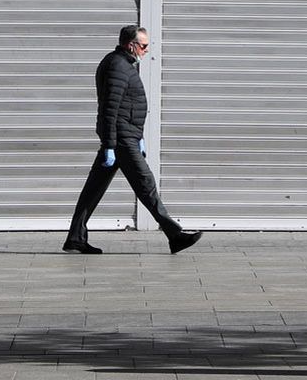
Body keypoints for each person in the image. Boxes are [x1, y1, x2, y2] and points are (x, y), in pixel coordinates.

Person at [64, 25, 203, 254]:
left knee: (93, 189)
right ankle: (175, 235)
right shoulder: (118, 66)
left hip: (124, 136)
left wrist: (137, 137)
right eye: (144, 45)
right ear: (131, 45)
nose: (147, 50)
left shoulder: (122, 65)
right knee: (145, 184)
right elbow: (110, 108)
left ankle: (76, 238)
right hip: (121, 140)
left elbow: (124, 106)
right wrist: (110, 145)